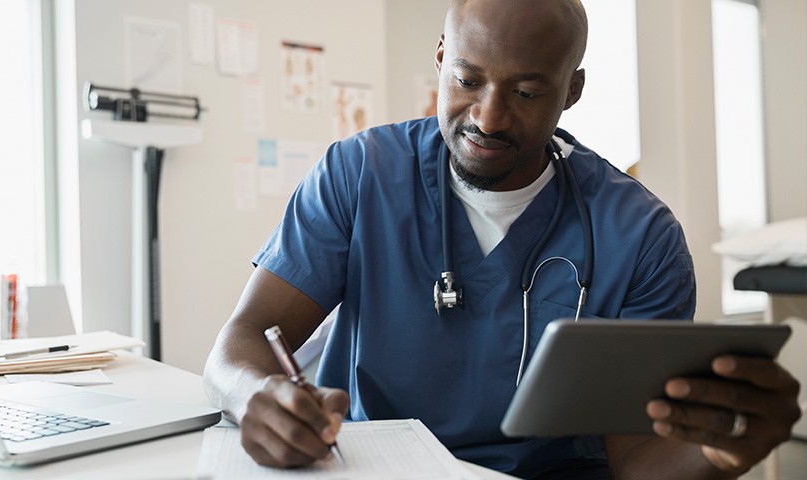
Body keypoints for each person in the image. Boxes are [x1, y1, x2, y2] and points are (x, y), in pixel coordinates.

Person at [203, 0, 802, 478]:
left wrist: (724, 453)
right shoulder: (360, 175)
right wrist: (257, 397)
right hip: (367, 470)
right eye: (467, 79)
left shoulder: (641, 236)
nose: (488, 118)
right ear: (440, 58)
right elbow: (242, 340)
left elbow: (639, 463)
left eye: (526, 92)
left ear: (572, 91)